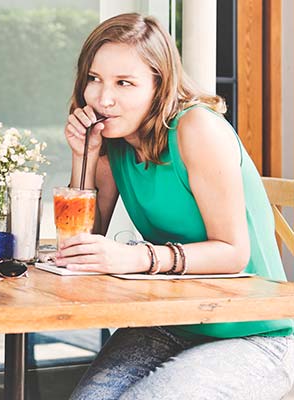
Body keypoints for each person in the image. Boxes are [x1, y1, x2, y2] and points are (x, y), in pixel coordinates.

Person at [57, 13, 294, 399]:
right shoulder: (112, 141)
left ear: (159, 85)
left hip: (256, 332)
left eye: (124, 83)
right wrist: (84, 157)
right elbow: (79, 245)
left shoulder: (196, 128)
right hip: (170, 322)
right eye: (94, 79)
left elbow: (234, 253)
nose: (103, 98)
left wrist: (134, 258)